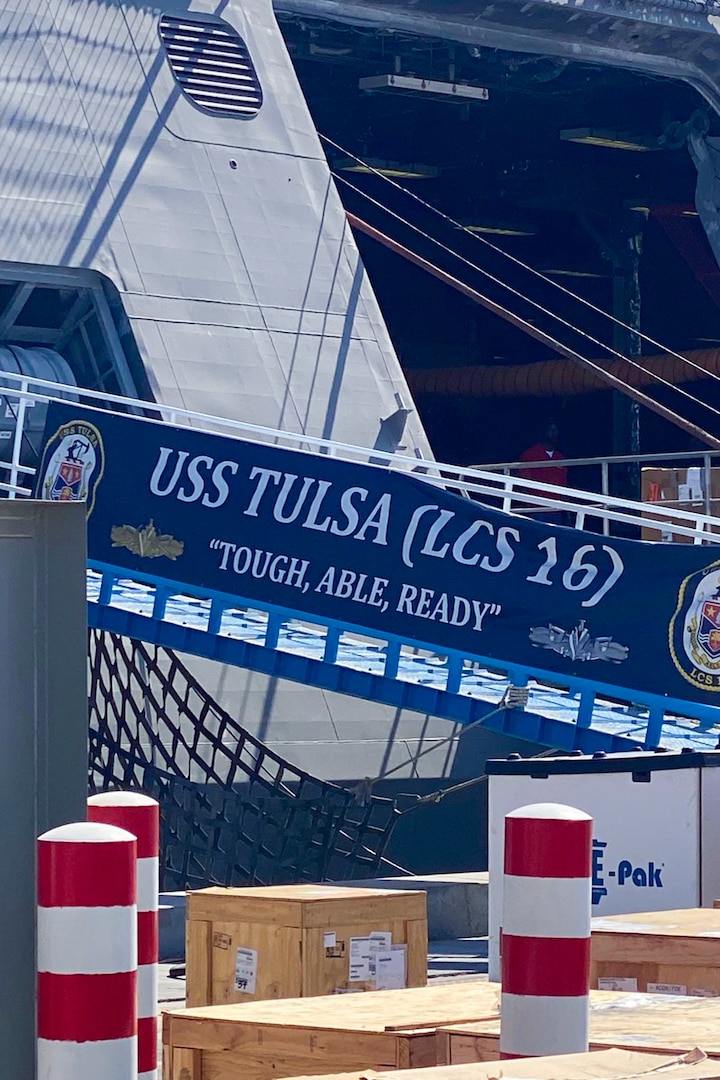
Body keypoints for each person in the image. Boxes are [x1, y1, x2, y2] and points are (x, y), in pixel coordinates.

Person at [518, 420, 570, 523]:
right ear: (544, 432)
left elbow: (564, 486)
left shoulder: (560, 458)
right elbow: (523, 484)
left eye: (556, 431)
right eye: (552, 430)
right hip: (537, 511)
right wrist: (529, 508)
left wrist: (567, 511)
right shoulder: (530, 455)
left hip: (557, 510)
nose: (555, 433)